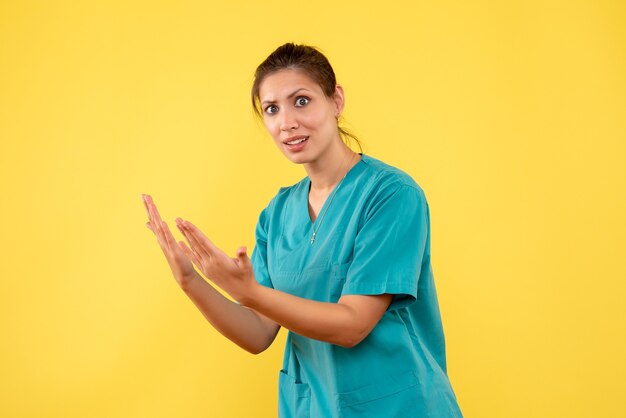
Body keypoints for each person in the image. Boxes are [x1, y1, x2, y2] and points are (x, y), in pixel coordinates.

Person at [142, 43, 463, 418]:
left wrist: (249, 292)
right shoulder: (277, 214)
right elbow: (258, 333)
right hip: (314, 408)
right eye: (272, 110)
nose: (287, 122)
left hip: (398, 407)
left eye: (302, 101)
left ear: (336, 100)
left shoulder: (391, 195)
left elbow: (352, 325)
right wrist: (190, 281)